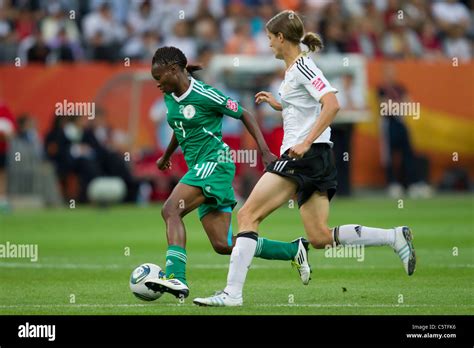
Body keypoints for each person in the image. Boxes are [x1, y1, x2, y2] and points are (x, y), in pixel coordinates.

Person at [194, 10, 416, 307]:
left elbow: (332, 104)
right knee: (320, 236)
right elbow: (308, 105)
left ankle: (232, 294)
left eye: (271, 38)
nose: (269, 44)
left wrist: (305, 141)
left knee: (247, 215)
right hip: (316, 157)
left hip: (304, 155)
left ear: (282, 38)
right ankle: (394, 237)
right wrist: (281, 104)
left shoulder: (302, 67)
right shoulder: (294, 70)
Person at [144, 46, 311, 299]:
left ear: (174, 70)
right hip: (200, 167)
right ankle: (293, 250)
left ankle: (176, 277)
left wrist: (265, 151)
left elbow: (244, 114)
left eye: (160, 78)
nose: (158, 84)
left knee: (170, 209)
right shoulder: (170, 96)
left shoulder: (205, 94)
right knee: (224, 244)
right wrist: (166, 156)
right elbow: (180, 127)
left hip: (215, 162)